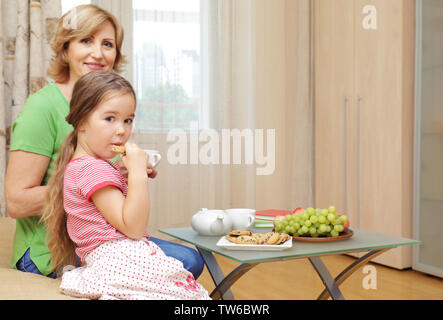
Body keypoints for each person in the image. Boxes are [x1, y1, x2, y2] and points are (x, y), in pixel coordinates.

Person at [4, 4, 203, 279]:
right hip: (50, 251)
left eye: (107, 44)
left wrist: (123, 174)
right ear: (65, 49)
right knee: (185, 262)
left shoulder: (109, 108)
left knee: (189, 258)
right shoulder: (41, 108)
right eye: (86, 40)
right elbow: (16, 202)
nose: (98, 53)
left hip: (101, 242)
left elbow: (101, 190)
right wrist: (87, 184)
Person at [40, 70, 210, 300]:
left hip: (111, 258)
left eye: (128, 120)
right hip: (117, 258)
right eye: (110, 118)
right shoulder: (92, 169)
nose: (121, 130)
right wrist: (138, 174)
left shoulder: (86, 165)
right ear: (81, 121)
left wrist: (127, 175)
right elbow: (133, 227)